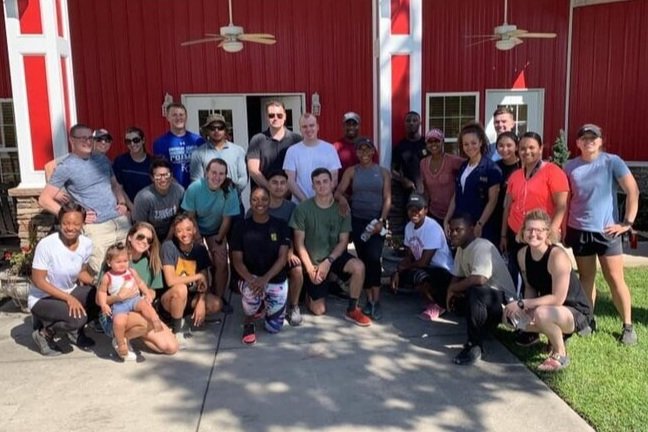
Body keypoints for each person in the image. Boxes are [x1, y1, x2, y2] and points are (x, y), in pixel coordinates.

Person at [564, 124, 639, 345]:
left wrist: (627, 223)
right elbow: (566, 199)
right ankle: (588, 319)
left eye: (593, 138)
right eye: (584, 138)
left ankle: (627, 326)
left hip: (607, 232)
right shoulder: (569, 166)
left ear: (600, 140)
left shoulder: (611, 162)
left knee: (615, 279)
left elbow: (632, 191)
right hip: (579, 230)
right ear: (577, 143)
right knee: (586, 277)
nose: (589, 142)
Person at [504, 210, 593, 372]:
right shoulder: (522, 255)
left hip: (574, 310)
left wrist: (523, 303)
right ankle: (548, 333)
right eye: (529, 229)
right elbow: (530, 287)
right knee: (509, 318)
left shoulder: (557, 256)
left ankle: (560, 353)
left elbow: (558, 299)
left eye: (539, 230)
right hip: (548, 307)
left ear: (547, 234)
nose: (533, 234)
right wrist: (524, 309)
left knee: (542, 314)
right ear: (522, 231)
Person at [39, 124, 131, 278]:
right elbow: (44, 199)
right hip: (97, 227)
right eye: (83, 138)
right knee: (100, 271)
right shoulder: (66, 166)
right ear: (72, 140)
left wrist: (122, 203)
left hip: (119, 222)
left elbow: (114, 184)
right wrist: (76, 217)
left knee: (126, 266)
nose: (88, 141)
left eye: (90, 138)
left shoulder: (102, 159)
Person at [290, 168, 371, 326]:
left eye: (325, 181)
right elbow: (299, 244)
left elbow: (343, 241)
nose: (322, 186)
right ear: (312, 186)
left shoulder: (342, 209)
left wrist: (328, 262)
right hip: (312, 260)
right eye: (317, 183)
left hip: (333, 257)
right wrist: (310, 269)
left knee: (359, 267)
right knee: (319, 310)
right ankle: (308, 291)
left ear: (332, 183)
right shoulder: (303, 209)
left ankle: (353, 309)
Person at [500, 132, 569, 296]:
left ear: (541, 149)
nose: (527, 151)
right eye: (523, 148)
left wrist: (551, 231)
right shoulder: (515, 175)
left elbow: (561, 205)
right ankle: (519, 306)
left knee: (540, 273)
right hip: (515, 232)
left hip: (539, 234)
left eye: (532, 147)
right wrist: (503, 234)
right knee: (518, 272)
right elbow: (507, 207)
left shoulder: (553, 172)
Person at [98, 222, 178, 359]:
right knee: (145, 322)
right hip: (115, 313)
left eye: (149, 240)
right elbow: (98, 299)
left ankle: (132, 334)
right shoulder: (116, 259)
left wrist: (149, 295)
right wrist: (118, 297)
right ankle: (119, 340)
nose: (144, 241)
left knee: (171, 347)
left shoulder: (151, 261)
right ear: (130, 236)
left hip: (138, 307)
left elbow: (151, 290)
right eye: (140, 237)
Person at [446, 214, 516, 365]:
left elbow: (480, 279)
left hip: (505, 305)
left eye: (458, 230)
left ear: (471, 230)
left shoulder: (482, 246)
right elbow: (456, 275)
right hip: (484, 300)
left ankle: (475, 345)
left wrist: (453, 289)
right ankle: (483, 328)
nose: (453, 233)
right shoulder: (461, 248)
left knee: (475, 290)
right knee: (441, 280)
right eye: (451, 230)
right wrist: (449, 292)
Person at [29, 203, 97, 356]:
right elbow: (38, 280)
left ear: (83, 224)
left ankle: (75, 333)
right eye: (66, 223)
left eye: (76, 224)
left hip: (68, 291)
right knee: (78, 319)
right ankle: (44, 334)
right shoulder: (47, 245)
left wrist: (97, 282)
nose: (70, 228)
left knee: (99, 296)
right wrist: (68, 298)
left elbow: (81, 272)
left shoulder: (86, 244)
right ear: (59, 222)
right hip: (43, 297)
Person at [335, 138, 391, 320]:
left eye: (368, 150)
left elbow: (387, 198)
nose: (364, 153)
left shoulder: (382, 172)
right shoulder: (352, 171)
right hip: (358, 221)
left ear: (373, 151)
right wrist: (342, 199)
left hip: (376, 222)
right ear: (356, 152)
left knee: (375, 258)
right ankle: (369, 300)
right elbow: (338, 191)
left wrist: (381, 220)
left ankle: (377, 300)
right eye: (361, 150)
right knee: (364, 259)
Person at [231, 187, 291, 344]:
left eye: (264, 199)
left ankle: (266, 307)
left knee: (274, 328)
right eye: (255, 199)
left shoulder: (281, 225)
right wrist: (252, 279)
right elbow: (237, 260)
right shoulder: (240, 227)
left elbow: (283, 258)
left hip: (274, 277)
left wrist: (264, 279)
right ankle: (249, 320)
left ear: (269, 201)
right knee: (251, 296)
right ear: (250, 202)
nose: (260, 203)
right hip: (250, 278)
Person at [182, 158, 240, 306]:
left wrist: (219, 240)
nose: (217, 177)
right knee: (202, 262)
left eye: (221, 174)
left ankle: (219, 298)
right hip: (196, 229)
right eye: (214, 172)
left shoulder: (229, 190)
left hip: (217, 230)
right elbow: (190, 217)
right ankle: (202, 296)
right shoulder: (195, 188)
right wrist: (200, 241)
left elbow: (227, 219)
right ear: (206, 173)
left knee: (221, 261)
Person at [159, 213, 223, 344]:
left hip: (190, 297)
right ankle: (176, 330)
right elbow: (171, 280)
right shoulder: (169, 247)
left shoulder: (200, 249)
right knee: (180, 289)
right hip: (170, 298)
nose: (184, 234)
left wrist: (201, 302)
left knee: (216, 304)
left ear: (194, 230)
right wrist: (198, 276)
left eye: (188, 229)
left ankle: (184, 317)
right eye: (179, 230)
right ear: (175, 233)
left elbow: (204, 282)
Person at [391, 194, 454, 320]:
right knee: (400, 276)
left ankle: (438, 305)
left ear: (425, 210)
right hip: (424, 267)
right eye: (411, 209)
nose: (414, 213)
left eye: (418, 209)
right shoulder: (409, 227)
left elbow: (424, 262)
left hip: (441, 269)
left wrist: (404, 268)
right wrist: (399, 270)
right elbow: (409, 256)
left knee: (419, 275)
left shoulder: (432, 228)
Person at [96, 243, 164, 359]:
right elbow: (102, 292)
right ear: (109, 262)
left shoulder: (131, 272)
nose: (122, 264)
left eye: (125, 261)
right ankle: (120, 342)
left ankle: (155, 319)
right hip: (119, 304)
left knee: (145, 305)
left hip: (134, 299)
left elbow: (141, 283)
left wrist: (147, 294)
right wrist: (103, 304)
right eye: (118, 262)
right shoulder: (108, 276)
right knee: (118, 321)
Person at [444, 122, 502, 245]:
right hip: (461, 227)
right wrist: (447, 218)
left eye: (473, 143)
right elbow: (456, 195)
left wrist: (480, 224)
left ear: (481, 142)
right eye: (466, 144)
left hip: (481, 228)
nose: (470, 147)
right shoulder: (463, 166)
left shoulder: (491, 169)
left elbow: (493, 201)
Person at [264, 170, 303, 326]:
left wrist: (291, 251)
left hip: (286, 252)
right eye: (274, 182)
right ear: (268, 184)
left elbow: (295, 234)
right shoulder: (259, 205)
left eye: (282, 183)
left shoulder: (292, 208)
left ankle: (293, 306)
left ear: (287, 186)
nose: (279, 187)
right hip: (264, 254)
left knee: (297, 269)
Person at [283, 113, 341, 203]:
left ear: (317, 127)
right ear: (300, 129)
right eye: (304, 126)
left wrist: (320, 201)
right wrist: (305, 202)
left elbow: (334, 178)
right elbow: (290, 181)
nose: (308, 129)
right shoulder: (292, 151)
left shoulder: (330, 149)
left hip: (324, 204)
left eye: (311, 125)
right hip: (300, 205)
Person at [247, 101, 302, 189]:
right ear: (266, 117)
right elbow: (253, 170)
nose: (275, 118)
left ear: (285, 116)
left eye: (279, 115)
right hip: (265, 196)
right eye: (271, 115)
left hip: (292, 194)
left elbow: (301, 169)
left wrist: (287, 189)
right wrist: (271, 189)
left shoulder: (297, 140)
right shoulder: (257, 140)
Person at [190, 113, 248, 195]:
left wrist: (231, 193)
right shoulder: (198, 153)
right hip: (208, 203)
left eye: (220, 128)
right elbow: (196, 182)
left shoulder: (238, 151)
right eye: (212, 128)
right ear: (207, 130)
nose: (216, 130)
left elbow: (243, 178)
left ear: (225, 130)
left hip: (233, 202)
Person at [153, 103, 205, 188]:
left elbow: (205, 167)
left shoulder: (198, 141)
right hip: (172, 190)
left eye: (181, 115)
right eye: (174, 115)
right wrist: (178, 189)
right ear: (168, 118)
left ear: (186, 117)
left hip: (197, 189)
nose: (178, 118)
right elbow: (161, 169)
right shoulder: (160, 143)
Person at [132, 157, 185, 241]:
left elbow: (180, 218)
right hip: (149, 237)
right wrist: (156, 245)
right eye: (158, 176)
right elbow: (140, 226)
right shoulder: (143, 197)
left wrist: (168, 238)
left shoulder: (179, 191)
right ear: (152, 178)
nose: (163, 179)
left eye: (166, 175)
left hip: (172, 234)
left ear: (171, 176)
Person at [419, 128, 464, 226]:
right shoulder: (423, 163)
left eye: (437, 141)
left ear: (442, 142)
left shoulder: (453, 161)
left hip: (454, 213)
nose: (433, 144)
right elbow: (425, 189)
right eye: (430, 141)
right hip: (434, 213)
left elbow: (469, 168)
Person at [492, 131, 521, 266]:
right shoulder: (494, 167)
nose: (505, 149)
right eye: (501, 146)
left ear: (516, 146)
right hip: (497, 216)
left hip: (517, 217)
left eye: (509, 145)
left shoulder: (523, 166)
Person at [112, 126, 153, 207]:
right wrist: (131, 207)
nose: (132, 144)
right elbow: (118, 187)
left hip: (149, 206)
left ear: (143, 140)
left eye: (136, 140)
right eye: (128, 141)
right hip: (128, 207)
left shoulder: (153, 162)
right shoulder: (120, 161)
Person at [392, 111, 426, 194]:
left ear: (420, 123)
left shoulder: (427, 143)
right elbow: (393, 170)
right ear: (404, 124)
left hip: (427, 189)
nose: (411, 123)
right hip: (408, 191)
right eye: (408, 121)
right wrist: (404, 180)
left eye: (415, 120)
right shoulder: (399, 146)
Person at [332, 112, 375, 176]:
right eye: (348, 124)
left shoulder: (368, 145)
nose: (351, 127)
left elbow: (375, 166)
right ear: (343, 126)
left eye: (354, 124)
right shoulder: (336, 147)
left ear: (359, 126)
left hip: (364, 184)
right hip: (342, 185)